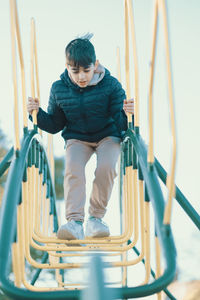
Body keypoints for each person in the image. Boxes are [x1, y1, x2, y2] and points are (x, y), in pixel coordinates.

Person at [27, 34, 134, 241]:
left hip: (107, 135)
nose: (82, 76)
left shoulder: (111, 85)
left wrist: (128, 114)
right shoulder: (59, 88)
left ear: (96, 64)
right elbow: (54, 125)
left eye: (86, 70)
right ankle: (75, 222)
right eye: (75, 71)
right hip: (77, 138)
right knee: (73, 170)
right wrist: (36, 114)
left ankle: (95, 219)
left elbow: (122, 124)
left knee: (106, 169)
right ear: (67, 67)